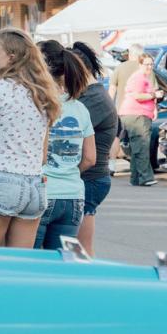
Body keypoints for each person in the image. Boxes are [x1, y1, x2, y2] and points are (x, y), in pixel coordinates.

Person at [0, 28, 63, 249]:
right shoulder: (43, 93)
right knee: (18, 267)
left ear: (11, 57)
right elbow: (43, 155)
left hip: (1, 182)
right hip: (34, 187)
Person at [32, 41, 95, 251]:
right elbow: (90, 159)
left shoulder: (37, 105)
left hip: (43, 192)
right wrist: (67, 171)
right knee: (59, 265)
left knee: (30, 264)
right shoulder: (81, 109)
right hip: (73, 196)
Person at [69, 41, 118, 255]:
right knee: (79, 249)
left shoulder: (94, 97)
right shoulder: (91, 94)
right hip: (90, 176)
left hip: (91, 177)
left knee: (81, 251)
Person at [120, 52, 158, 187]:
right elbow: (138, 96)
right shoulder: (139, 77)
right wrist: (154, 94)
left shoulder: (143, 77)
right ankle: (146, 177)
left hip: (135, 114)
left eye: (151, 64)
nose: (149, 67)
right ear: (140, 64)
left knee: (138, 146)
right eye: (146, 64)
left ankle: (135, 178)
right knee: (142, 146)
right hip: (136, 115)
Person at [110, 43, 143, 107]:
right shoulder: (144, 68)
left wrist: (110, 107)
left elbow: (112, 89)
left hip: (122, 109)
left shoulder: (119, 68)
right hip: (141, 110)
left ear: (130, 54)